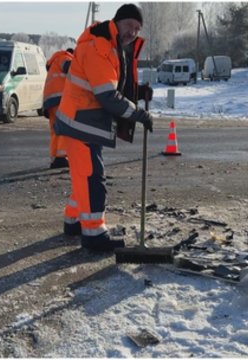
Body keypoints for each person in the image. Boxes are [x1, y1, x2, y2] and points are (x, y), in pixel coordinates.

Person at [54, 3, 154, 252]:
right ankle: (94, 233)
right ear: (118, 21)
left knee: (83, 175)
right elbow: (107, 95)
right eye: (130, 25)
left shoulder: (110, 44)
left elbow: (109, 83)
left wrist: (139, 92)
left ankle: (74, 221)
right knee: (92, 178)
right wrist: (138, 113)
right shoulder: (99, 46)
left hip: (84, 121)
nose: (133, 32)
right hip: (80, 123)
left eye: (138, 28)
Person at [43, 48, 74, 169]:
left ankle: (55, 157)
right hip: (60, 98)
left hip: (51, 100)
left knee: (55, 129)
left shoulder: (53, 62)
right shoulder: (64, 57)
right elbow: (69, 67)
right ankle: (61, 157)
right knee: (63, 127)